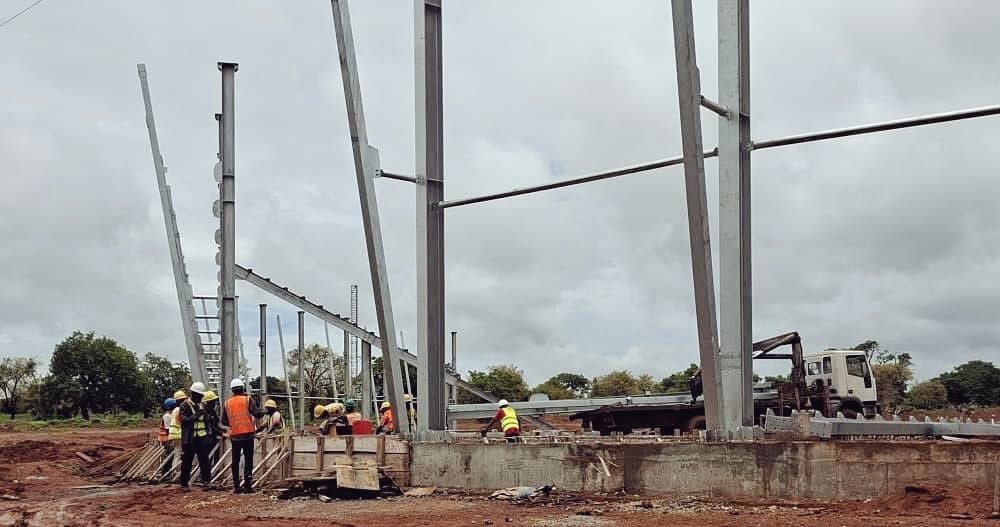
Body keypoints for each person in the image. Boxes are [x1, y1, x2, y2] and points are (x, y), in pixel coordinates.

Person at [222, 378, 264, 494]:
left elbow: (224, 421)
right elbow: (257, 413)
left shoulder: (227, 403)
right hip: (248, 435)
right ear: (243, 388)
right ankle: (248, 486)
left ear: (232, 390)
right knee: (248, 460)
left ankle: (236, 486)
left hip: (235, 436)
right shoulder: (248, 399)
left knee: (235, 461)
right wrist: (265, 411)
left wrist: (233, 424)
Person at [179, 382, 213, 491]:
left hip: (202, 437)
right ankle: (184, 484)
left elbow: (208, 421)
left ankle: (206, 482)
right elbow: (184, 420)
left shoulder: (203, 405)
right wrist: (196, 415)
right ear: (193, 394)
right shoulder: (185, 405)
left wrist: (209, 433)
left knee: (204, 460)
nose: (201, 397)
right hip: (190, 438)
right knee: (187, 461)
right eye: (199, 395)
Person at [202, 390, 223, 468]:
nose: (215, 403)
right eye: (213, 401)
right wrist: (221, 433)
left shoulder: (212, 411)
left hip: (214, 437)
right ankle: (207, 471)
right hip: (207, 438)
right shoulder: (205, 412)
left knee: (216, 454)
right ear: (208, 402)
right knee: (208, 456)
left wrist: (224, 429)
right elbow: (210, 426)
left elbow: (217, 423)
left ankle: (215, 469)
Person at [158, 397, 176, 480]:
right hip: (166, 439)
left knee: (169, 456)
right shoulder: (167, 416)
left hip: (167, 438)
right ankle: (165, 474)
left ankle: (167, 473)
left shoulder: (169, 415)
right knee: (168, 457)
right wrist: (171, 440)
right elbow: (168, 429)